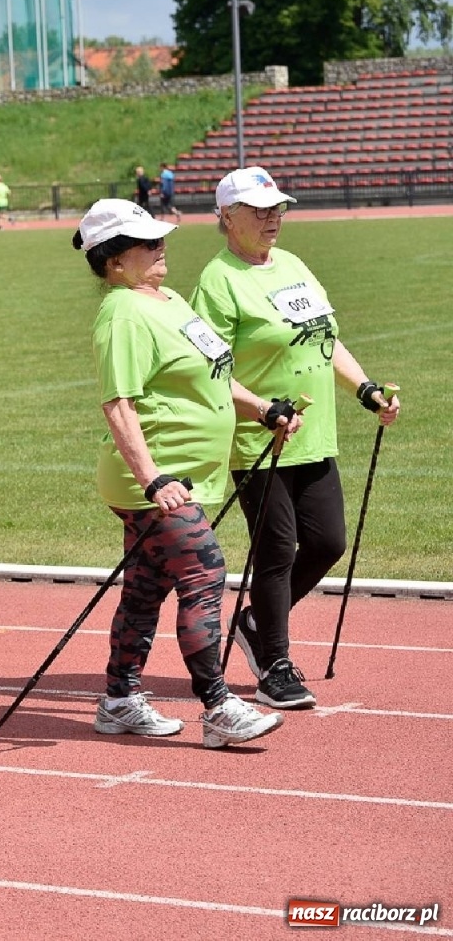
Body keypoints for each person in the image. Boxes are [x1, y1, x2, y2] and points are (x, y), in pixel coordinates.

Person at [73, 198, 288, 749]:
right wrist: (152, 478)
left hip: (182, 478)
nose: (161, 246)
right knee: (203, 572)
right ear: (115, 261)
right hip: (152, 482)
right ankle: (217, 706)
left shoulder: (168, 298)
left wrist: (263, 409)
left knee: (147, 587)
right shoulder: (123, 312)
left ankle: (119, 700)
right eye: (147, 243)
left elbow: (214, 376)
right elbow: (117, 404)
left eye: (160, 238)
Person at [190, 167, 401, 710]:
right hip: (260, 439)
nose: (272, 219)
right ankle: (275, 666)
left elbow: (327, 339)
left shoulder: (293, 265)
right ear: (226, 216)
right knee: (278, 550)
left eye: (277, 208)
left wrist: (367, 390)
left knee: (328, 543)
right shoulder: (219, 280)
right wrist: (263, 410)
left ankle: (258, 622)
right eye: (259, 210)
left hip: (315, 434)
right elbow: (207, 368)